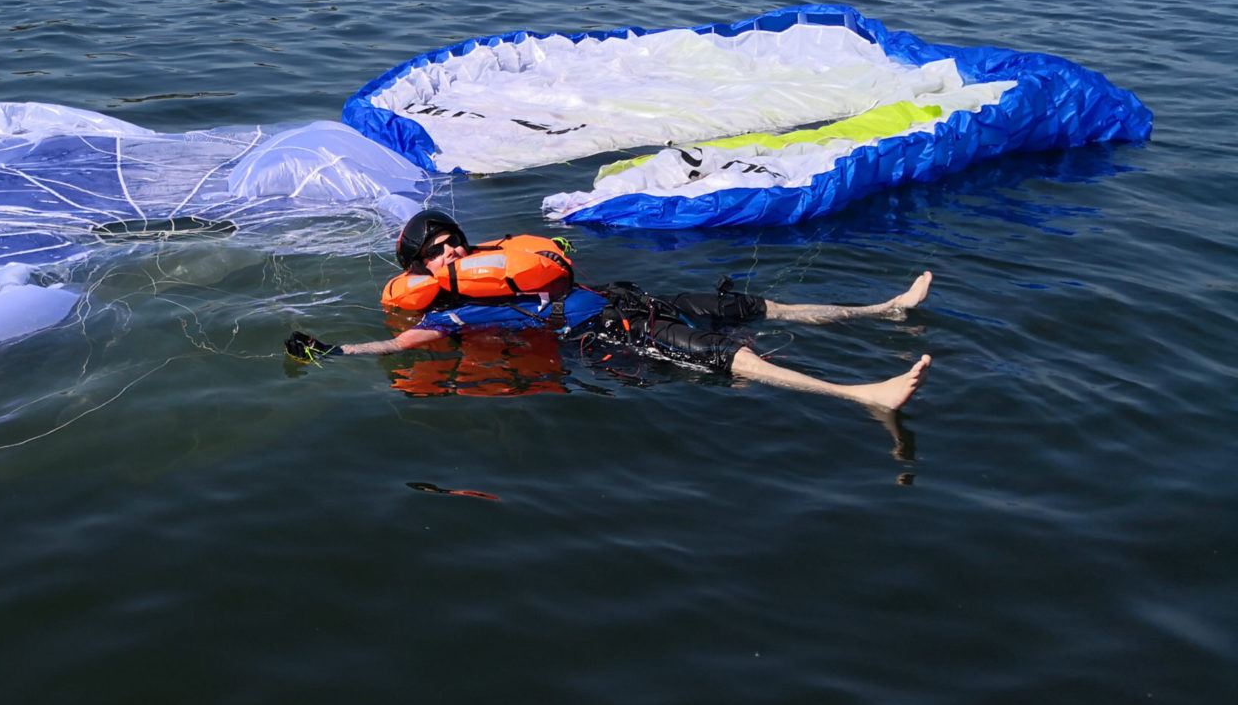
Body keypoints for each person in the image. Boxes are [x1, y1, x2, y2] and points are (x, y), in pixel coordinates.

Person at [284, 209, 932, 412]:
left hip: (634, 301)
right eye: (438, 251)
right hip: (603, 336)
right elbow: (397, 348)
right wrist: (332, 351)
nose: (453, 252)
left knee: (754, 305)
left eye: (456, 242)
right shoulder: (451, 316)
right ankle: (862, 394)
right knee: (726, 356)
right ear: (420, 269)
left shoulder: (513, 256)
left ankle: (883, 309)